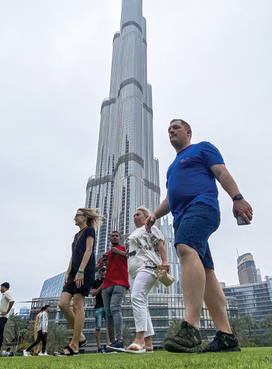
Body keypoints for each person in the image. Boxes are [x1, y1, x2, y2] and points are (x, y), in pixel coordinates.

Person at [145, 119, 253, 353]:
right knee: (206, 271)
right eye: (168, 130)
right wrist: (154, 214)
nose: (171, 131)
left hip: (202, 207)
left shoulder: (202, 148)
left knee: (185, 248)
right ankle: (226, 336)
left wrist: (237, 198)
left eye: (175, 127)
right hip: (182, 216)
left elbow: (221, 172)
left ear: (188, 132)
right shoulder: (172, 167)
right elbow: (170, 198)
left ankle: (191, 327)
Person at [54, 208, 102, 357]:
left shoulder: (89, 231)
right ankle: (80, 337)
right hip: (73, 272)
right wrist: (68, 271)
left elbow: (89, 250)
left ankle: (74, 345)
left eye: (77, 215)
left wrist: (81, 270)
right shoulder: (76, 236)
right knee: (63, 304)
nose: (74, 218)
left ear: (85, 217)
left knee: (77, 304)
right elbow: (73, 255)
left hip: (84, 271)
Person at [123, 207, 169, 354]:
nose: (135, 217)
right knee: (141, 301)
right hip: (134, 271)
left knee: (137, 297)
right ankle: (148, 343)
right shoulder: (133, 233)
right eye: (134, 215)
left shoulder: (150, 228)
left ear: (146, 216)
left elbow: (160, 244)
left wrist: (165, 261)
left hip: (148, 266)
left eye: (138, 214)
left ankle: (139, 339)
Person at [99, 230, 129, 352]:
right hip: (106, 285)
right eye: (112, 236)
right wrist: (101, 264)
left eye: (117, 236)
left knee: (115, 308)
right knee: (108, 314)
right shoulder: (107, 254)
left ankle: (119, 340)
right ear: (110, 239)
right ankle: (112, 344)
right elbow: (96, 267)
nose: (114, 237)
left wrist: (118, 252)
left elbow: (132, 256)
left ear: (120, 238)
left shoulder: (124, 249)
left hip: (120, 283)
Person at [91, 266, 109, 353]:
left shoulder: (108, 281)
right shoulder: (95, 282)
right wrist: (101, 287)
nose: (103, 277)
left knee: (108, 326)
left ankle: (108, 345)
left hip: (107, 306)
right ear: (99, 274)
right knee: (98, 327)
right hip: (98, 306)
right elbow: (93, 293)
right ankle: (98, 347)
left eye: (105, 275)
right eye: (102, 275)